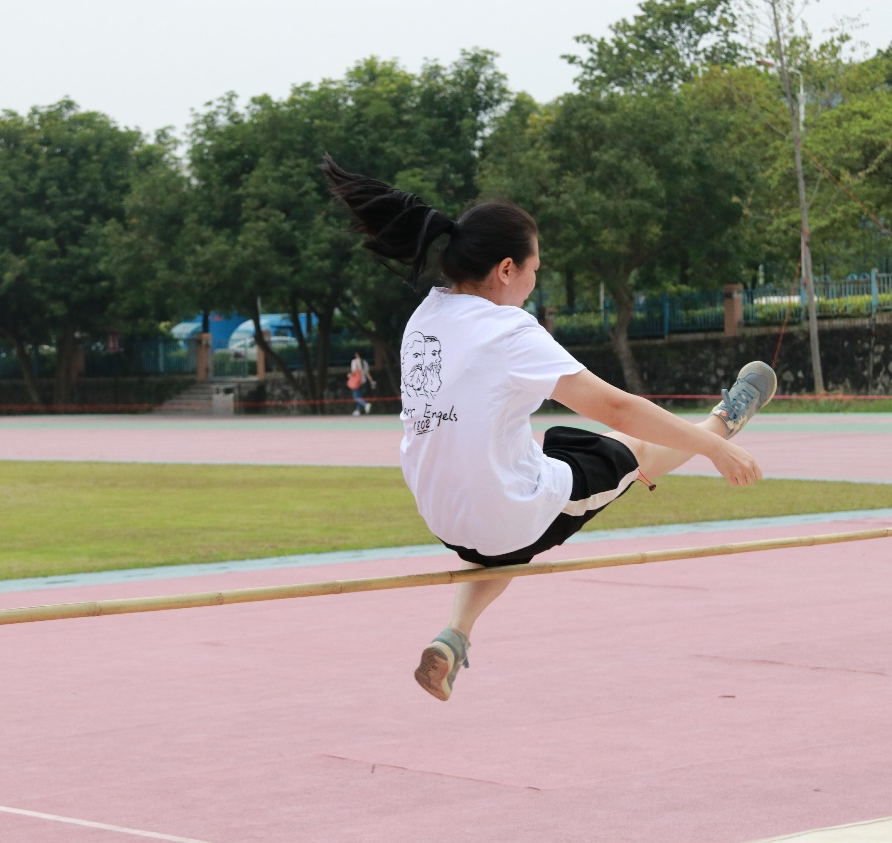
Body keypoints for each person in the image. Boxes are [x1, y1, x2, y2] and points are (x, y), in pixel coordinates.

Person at [322, 156, 776, 702]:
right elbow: (616, 408)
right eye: (534, 270)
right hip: (501, 512)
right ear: (506, 269)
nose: (534, 284)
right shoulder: (509, 329)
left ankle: (454, 637)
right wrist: (709, 450)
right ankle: (723, 423)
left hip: (440, 510)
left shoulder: (426, 317)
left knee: (513, 517)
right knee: (630, 449)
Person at [348, 351, 377, 415]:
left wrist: (349, 375)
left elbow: (354, 371)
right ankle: (357, 411)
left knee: (356, 397)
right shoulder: (365, 362)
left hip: (356, 382)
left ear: (357, 354)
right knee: (360, 396)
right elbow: (367, 373)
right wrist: (371, 381)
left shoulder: (354, 361)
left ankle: (365, 404)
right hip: (363, 381)